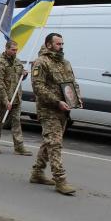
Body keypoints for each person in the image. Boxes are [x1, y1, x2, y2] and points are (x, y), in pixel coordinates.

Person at [30, 33, 81, 195]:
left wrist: (77, 98)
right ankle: (60, 180)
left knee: (50, 142)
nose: (61, 46)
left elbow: (72, 83)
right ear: (49, 44)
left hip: (63, 110)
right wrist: (56, 101)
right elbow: (38, 87)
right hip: (48, 109)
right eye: (58, 44)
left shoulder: (65, 63)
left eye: (62, 44)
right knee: (55, 144)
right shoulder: (41, 63)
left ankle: (37, 173)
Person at [0, 40, 31, 156]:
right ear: (7, 49)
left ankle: (19, 147)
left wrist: (24, 74)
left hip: (16, 97)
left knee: (16, 122)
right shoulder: (0, 63)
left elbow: (19, 78)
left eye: (16, 50)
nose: (15, 52)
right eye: (13, 50)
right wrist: (5, 100)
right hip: (4, 97)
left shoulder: (17, 62)